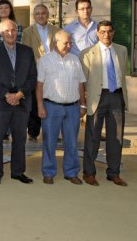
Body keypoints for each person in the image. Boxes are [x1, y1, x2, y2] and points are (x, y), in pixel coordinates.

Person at [0, 19, 37, 185]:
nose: (10, 33)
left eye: (13, 30)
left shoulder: (27, 51)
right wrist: (6, 95)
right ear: (1, 33)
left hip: (22, 102)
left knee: (20, 139)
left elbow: (33, 77)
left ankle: (17, 172)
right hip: (1, 102)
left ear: (17, 32)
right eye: (7, 30)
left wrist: (20, 94)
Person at [80, 20, 128, 187]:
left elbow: (122, 74)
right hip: (96, 98)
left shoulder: (122, 50)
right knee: (92, 136)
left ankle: (114, 173)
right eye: (103, 32)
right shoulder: (87, 53)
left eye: (109, 31)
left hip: (117, 97)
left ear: (113, 32)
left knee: (116, 137)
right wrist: (83, 102)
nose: (106, 35)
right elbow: (82, 82)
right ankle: (89, 173)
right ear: (97, 33)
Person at [36, 30, 86, 185]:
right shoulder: (45, 60)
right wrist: (40, 106)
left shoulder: (75, 60)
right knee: (49, 141)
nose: (69, 45)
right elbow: (39, 86)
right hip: (51, 107)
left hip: (72, 108)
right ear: (56, 42)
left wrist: (83, 104)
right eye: (66, 43)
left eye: (71, 42)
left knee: (71, 141)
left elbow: (80, 84)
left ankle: (71, 173)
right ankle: (49, 172)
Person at [22, 4, 61, 142]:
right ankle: (33, 133)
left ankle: (52, 133)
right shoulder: (27, 32)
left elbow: (60, 49)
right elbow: (26, 52)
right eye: (38, 13)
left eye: (43, 13)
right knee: (34, 104)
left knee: (52, 103)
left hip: (54, 73)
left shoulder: (56, 30)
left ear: (48, 14)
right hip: (36, 72)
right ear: (34, 16)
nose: (41, 16)